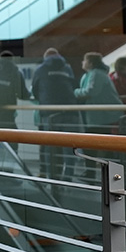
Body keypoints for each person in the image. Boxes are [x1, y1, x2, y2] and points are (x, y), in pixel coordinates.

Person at [30, 48, 79, 178]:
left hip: (50, 113)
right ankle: (68, 177)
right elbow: (74, 86)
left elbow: (35, 91)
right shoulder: (67, 68)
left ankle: (53, 180)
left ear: (45, 58)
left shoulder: (40, 69)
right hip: (70, 111)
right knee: (69, 147)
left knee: (50, 148)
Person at [75, 52, 122, 134]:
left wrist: (75, 92)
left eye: (84, 60)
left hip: (101, 115)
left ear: (90, 63)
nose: (82, 62)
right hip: (95, 114)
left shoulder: (97, 74)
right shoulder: (87, 75)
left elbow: (91, 91)